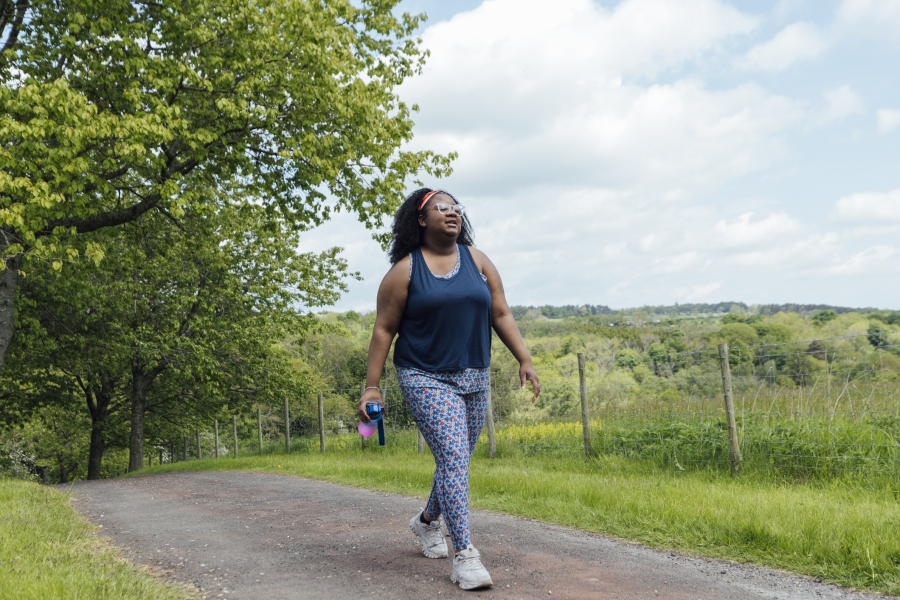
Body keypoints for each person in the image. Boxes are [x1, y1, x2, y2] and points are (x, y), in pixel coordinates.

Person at [358, 188, 540, 590]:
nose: (451, 213)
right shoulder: (404, 272)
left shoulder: (477, 261)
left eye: (456, 207)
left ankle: (425, 523)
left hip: (475, 374)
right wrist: (371, 388)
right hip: (425, 376)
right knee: (455, 457)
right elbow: (384, 330)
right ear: (420, 221)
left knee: (455, 462)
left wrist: (523, 358)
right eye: (441, 208)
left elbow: (500, 312)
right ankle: (465, 556)